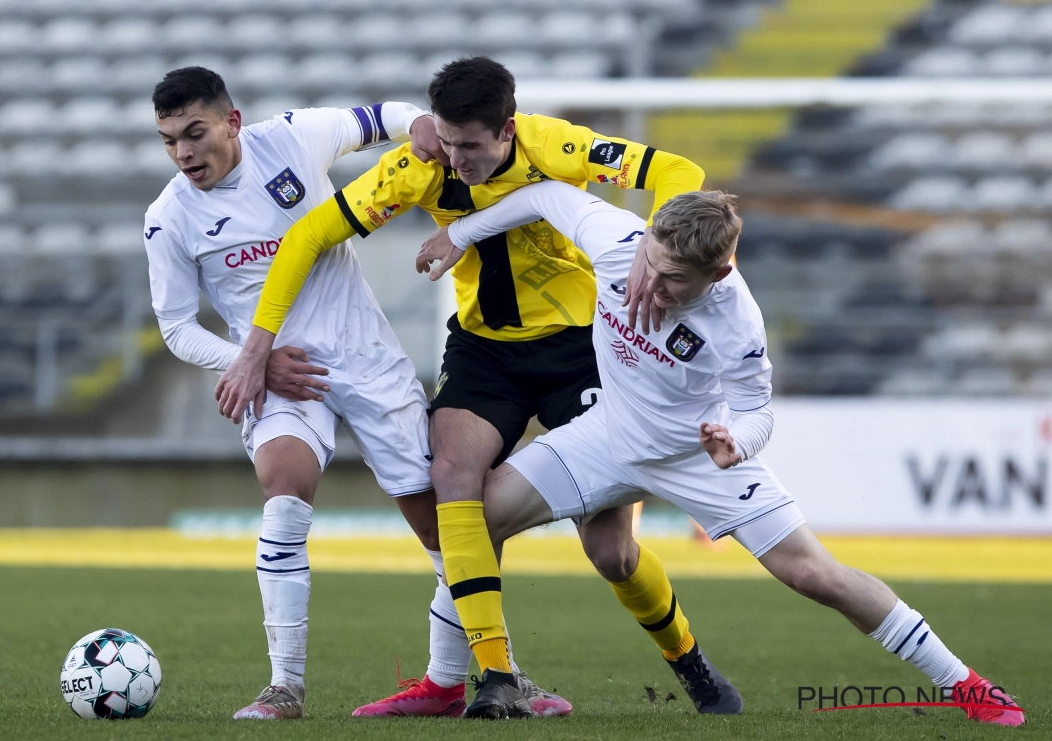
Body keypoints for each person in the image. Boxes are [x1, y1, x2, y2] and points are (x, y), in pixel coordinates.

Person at [215, 56, 741, 719]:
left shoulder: (554, 146)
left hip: (584, 350)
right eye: (447, 139)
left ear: (508, 131)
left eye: (471, 146)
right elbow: (307, 237)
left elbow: (679, 174)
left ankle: (688, 662)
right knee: (451, 475)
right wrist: (256, 344)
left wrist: (648, 247)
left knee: (610, 552)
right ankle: (496, 676)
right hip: (485, 352)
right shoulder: (420, 165)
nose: (455, 159)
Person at [421, 180, 1024, 727]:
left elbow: (758, 411)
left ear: (717, 273)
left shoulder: (736, 323)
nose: (650, 288)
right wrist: (458, 233)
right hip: (605, 435)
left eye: (672, 280)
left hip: (692, 454)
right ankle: (472, 681)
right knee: (468, 526)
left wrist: (736, 443)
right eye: (649, 264)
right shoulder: (618, 240)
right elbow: (543, 195)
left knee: (815, 574)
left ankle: (969, 687)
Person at [143, 66, 516, 720]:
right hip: (279, 378)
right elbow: (175, 327)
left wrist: (424, 128)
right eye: (169, 140)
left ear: (231, 122)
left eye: (194, 133)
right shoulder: (168, 217)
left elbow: (388, 118)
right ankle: (284, 685)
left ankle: (479, 675)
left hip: (366, 358)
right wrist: (248, 363)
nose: (183, 153)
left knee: (442, 527)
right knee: (284, 488)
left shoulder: (292, 138)